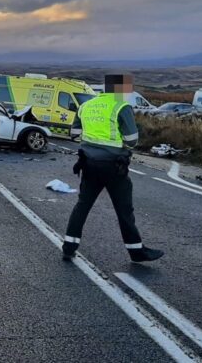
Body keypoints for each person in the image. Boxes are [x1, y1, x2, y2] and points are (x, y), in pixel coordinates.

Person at [62, 74, 163, 263]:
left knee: (82, 205)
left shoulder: (86, 106)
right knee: (124, 210)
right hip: (114, 166)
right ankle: (136, 251)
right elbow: (132, 140)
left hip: (88, 163)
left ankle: (69, 247)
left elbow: (74, 134)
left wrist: (90, 143)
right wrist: (121, 147)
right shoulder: (121, 107)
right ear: (121, 90)